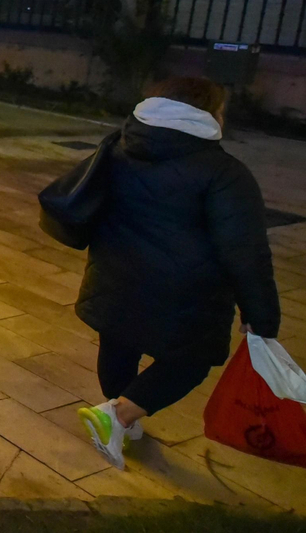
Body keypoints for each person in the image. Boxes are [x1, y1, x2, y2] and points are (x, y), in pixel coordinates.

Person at [66, 77, 279, 471]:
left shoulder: (118, 147)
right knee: (193, 360)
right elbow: (245, 251)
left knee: (118, 345)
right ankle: (119, 415)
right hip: (188, 293)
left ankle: (119, 419)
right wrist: (262, 313)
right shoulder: (225, 173)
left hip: (114, 275)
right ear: (210, 115)